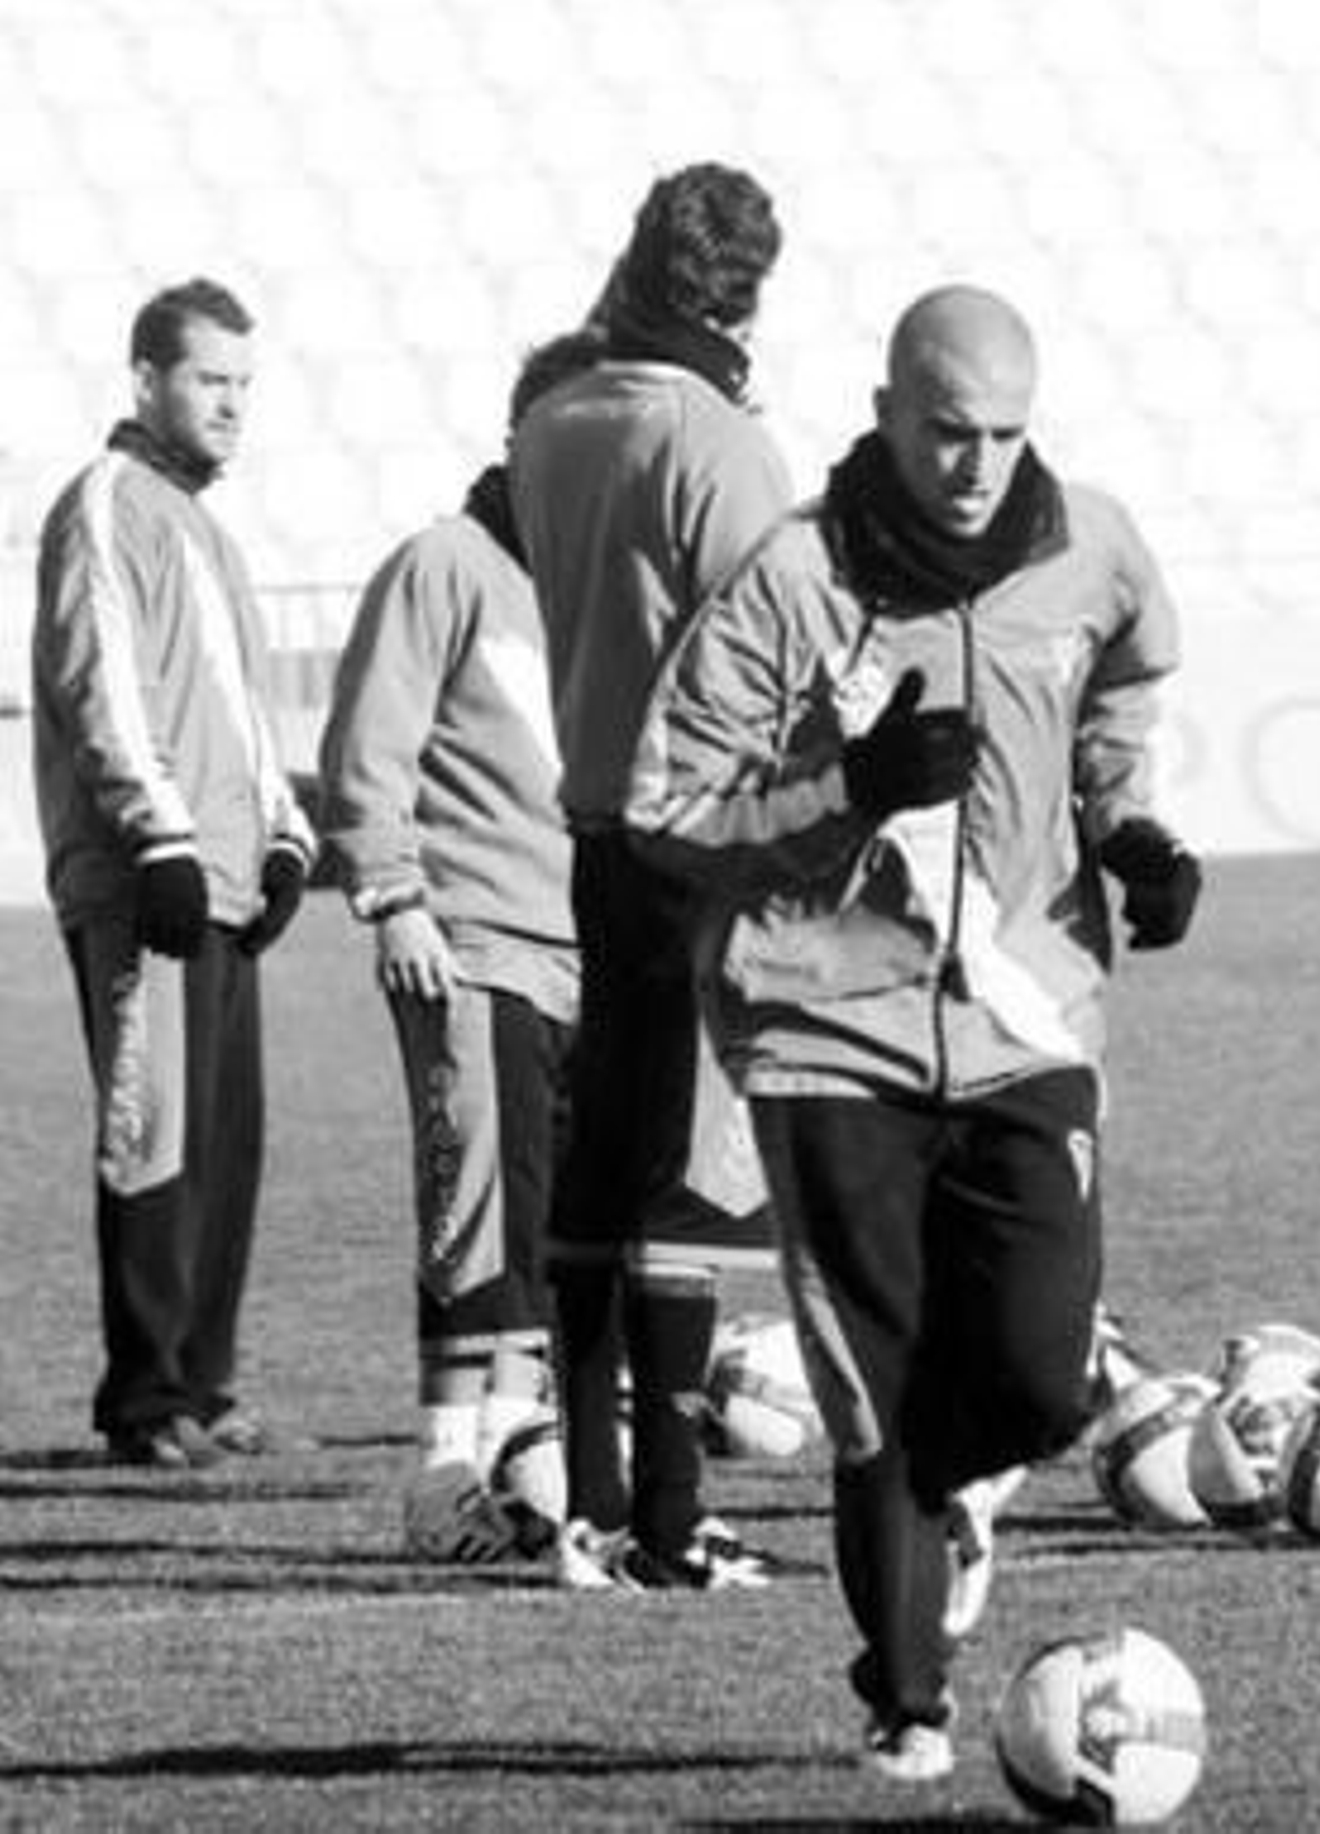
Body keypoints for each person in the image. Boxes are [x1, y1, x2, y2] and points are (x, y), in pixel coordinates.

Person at [626, 285, 1202, 1779]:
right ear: (886, 409)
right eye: (949, 432)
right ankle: (909, 1695)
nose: (978, 462)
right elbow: (668, 811)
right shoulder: (788, 580)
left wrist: (1128, 827)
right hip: (826, 1029)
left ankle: (953, 1492)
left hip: (1027, 1020)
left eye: (1007, 434)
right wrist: (851, 788)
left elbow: (1125, 686)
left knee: (1038, 1378)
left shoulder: (1092, 545)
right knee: (871, 1383)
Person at [508, 162, 791, 1590]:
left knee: (605, 1159)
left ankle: (592, 1503)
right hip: (705, 834)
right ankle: (678, 1524)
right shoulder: (716, 437)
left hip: (595, 828)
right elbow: (781, 648)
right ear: (742, 289)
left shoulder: (555, 419)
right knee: (696, 1170)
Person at [32, 276, 316, 1469]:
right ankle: (145, 1402)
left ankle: (204, 1384)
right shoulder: (108, 503)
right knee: (154, 1137)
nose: (233, 405)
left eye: (246, 385)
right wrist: (157, 836)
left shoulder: (207, 525)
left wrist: (287, 830)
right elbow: (103, 682)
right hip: (150, 888)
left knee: (228, 1144)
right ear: (146, 378)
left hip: (227, 891)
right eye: (211, 380)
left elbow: (240, 716)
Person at [316, 347, 588, 1563]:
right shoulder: (444, 563)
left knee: (550, 1221)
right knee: (476, 1211)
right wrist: (395, 899)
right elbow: (367, 741)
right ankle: (444, 1478)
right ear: (525, 437)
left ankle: (523, 1457)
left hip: (583, 950)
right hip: (471, 939)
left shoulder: (593, 582)